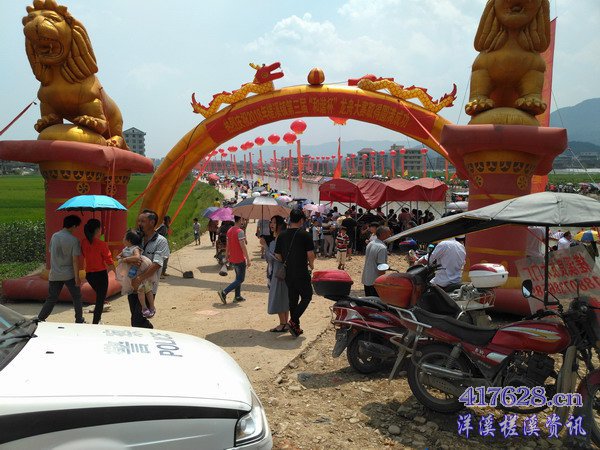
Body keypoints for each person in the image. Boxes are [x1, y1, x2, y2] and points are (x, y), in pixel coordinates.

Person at [124, 210, 170, 328]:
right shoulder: (136, 238)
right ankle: (147, 333)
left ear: (152, 222)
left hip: (148, 288)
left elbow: (157, 264)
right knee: (135, 319)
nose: (139, 223)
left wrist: (140, 278)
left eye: (143, 221)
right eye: (139, 221)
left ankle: (150, 330)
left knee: (138, 320)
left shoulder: (161, 241)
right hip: (133, 286)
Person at [275, 208, 315, 337]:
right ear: (301, 220)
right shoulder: (305, 235)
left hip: (288, 272)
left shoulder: (282, 235)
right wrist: (312, 264)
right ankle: (293, 321)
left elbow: (278, 255)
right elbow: (310, 254)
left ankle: (296, 327)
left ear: (290, 219)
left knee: (293, 299)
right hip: (301, 271)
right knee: (307, 296)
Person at [38, 215, 85, 323]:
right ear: (74, 226)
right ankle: (79, 319)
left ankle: (41, 318)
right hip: (69, 274)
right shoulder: (74, 240)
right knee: (76, 297)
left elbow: (51, 252)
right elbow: (75, 260)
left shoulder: (54, 236)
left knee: (52, 298)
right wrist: (77, 277)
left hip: (54, 273)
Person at [81, 219, 115, 324]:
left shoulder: (84, 242)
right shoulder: (101, 244)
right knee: (100, 299)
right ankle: (96, 321)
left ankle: (97, 319)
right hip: (100, 275)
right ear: (97, 230)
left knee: (100, 297)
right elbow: (109, 260)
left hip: (89, 274)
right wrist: (116, 272)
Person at [117, 229, 156, 319]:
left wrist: (125, 259)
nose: (123, 238)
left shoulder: (135, 248)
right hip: (132, 271)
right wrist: (121, 258)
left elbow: (137, 257)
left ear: (129, 240)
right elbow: (118, 256)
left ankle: (152, 306)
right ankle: (144, 307)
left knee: (148, 289)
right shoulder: (125, 249)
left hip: (140, 270)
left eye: (124, 237)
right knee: (140, 290)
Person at [218, 216, 251, 304]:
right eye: (243, 219)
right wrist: (248, 259)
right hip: (240, 259)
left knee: (237, 277)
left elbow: (228, 245)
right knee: (240, 279)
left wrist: (226, 256)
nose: (243, 221)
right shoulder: (240, 231)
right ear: (240, 220)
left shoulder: (229, 230)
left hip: (232, 258)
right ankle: (224, 292)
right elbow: (243, 246)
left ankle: (237, 296)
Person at [266, 215, 289, 332]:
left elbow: (278, 257)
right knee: (284, 296)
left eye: (274, 223)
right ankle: (285, 323)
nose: (271, 224)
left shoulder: (278, 239)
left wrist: (266, 247)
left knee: (278, 296)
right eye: (271, 222)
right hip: (283, 271)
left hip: (278, 271)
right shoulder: (284, 237)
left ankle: (282, 323)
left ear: (279, 225)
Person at [362, 226, 391, 296]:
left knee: (368, 300)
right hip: (375, 280)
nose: (390, 235)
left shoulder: (371, 243)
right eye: (388, 233)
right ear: (383, 234)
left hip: (367, 277)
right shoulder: (382, 248)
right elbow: (381, 267)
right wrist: (382, 282)